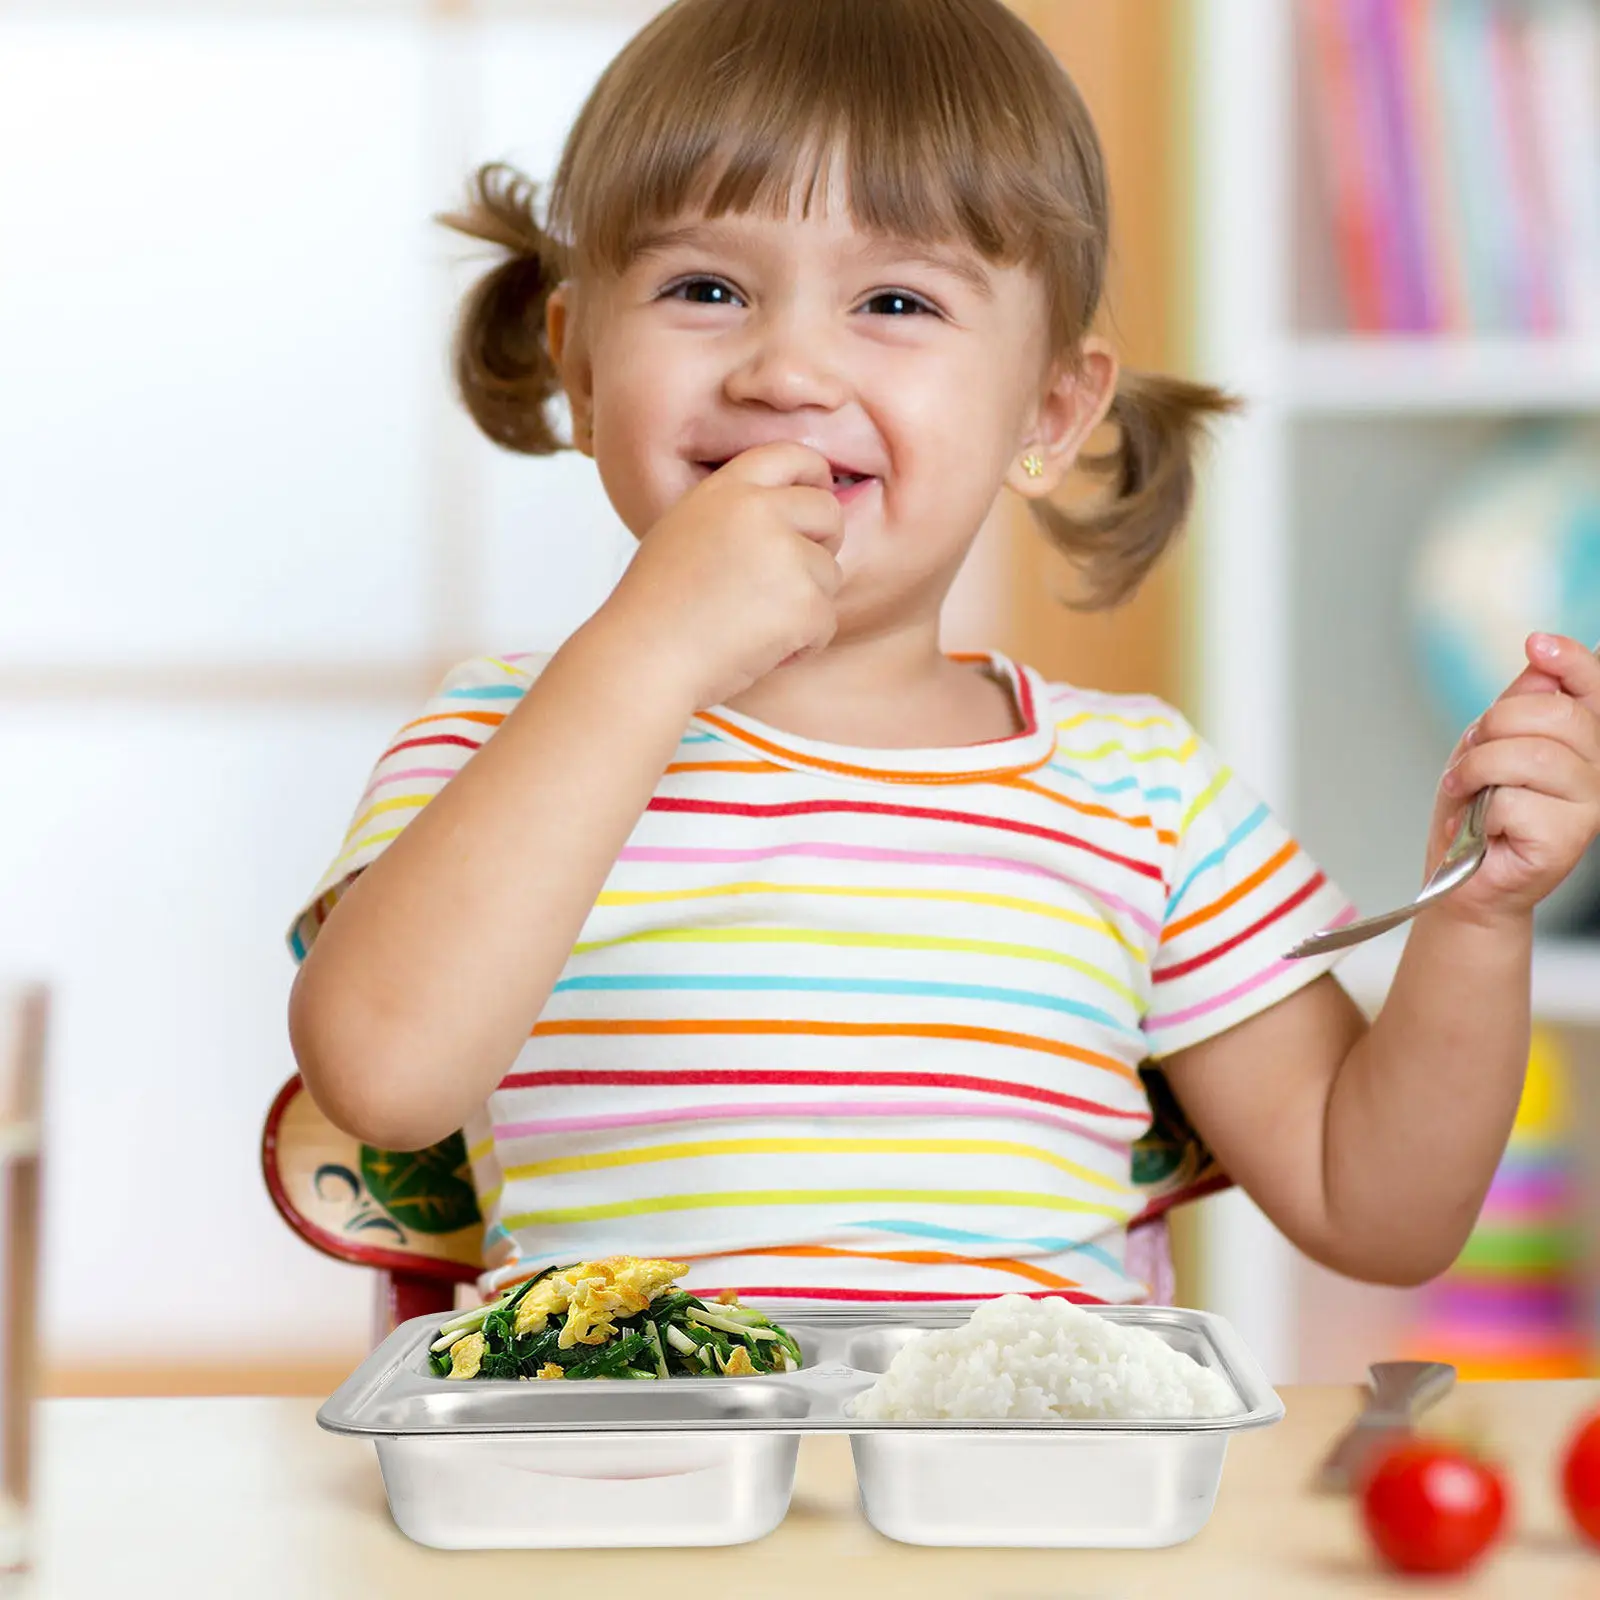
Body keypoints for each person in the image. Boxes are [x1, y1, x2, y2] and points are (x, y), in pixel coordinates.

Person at [286, 0, 1600, 1309]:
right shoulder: (506, 738)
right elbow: (385, 1078)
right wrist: (644, 654)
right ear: (580, 366)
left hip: (1023, 1495)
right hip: (628, 1486)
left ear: (1048, 409)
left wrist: (1477, 923)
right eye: (706, 289)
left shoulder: (1141, 794)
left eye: (896, 300)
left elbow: (1376, 1205)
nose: (788, 368)